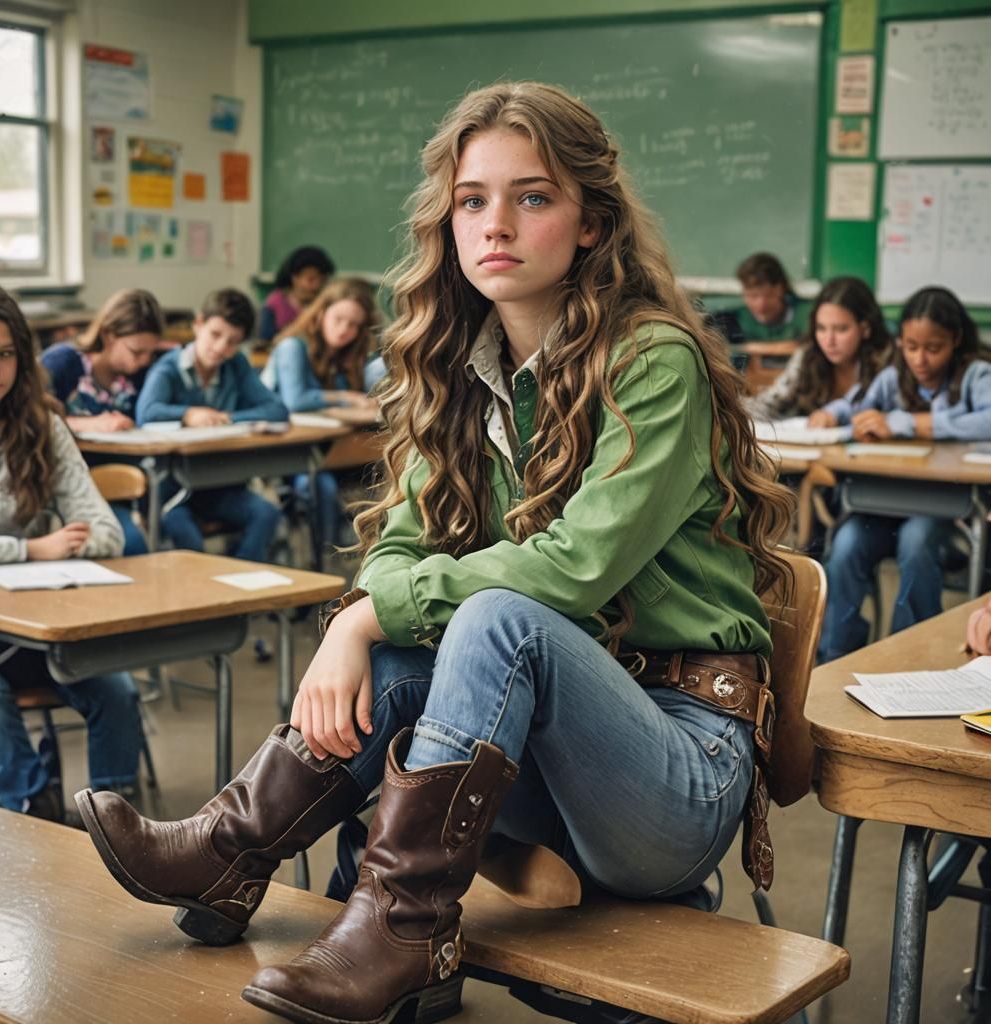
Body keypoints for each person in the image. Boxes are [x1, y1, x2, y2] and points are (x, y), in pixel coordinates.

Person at [76, 82, 795, 1024]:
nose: (496, 223)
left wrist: (367, 614)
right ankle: (232, 853)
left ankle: (402, 927)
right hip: (534, 754)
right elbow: (404, 539)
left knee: (494, 619)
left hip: (674, 768)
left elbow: (574, 570)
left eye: (533, 197)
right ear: (448, 219)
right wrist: (354, 629)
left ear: (591, 224)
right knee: (407, 652)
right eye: (472, 199)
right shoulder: (459, 369)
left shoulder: (651, 361)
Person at [0, 281, 142, 822]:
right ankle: (33, 806)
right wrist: (31, 548)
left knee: (118, 689)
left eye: (5, 353)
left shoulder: (42, 425)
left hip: (32, 623)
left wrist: (42, 551)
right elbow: (47, 546)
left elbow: (107, 533)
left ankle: (115, 823)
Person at [818, 286, 989, 663]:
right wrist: (833, 416)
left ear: (956, 340)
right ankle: (834, 655)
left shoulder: (976, 375)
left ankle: (906, 657)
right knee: (845, 543)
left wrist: (911, 423)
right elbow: (854, 407)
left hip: (946, 515)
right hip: (884, 508)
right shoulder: (893, 378)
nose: (920, 359)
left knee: (915, 540)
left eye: (933, 348)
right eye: (911, 347)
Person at [136, 287, 288, 563]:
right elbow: (146, 413)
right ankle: (208, 596)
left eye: (232, 342)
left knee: (266, 513)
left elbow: (277, 410)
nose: (221, 349)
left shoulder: (236, 365)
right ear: (198, 324)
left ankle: (240, 591)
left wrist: (228, 417)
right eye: (215, 335)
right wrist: (187, 414)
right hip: (175, 493)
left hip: (222, 485)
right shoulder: (168, 368)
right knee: (185, 534)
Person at [261, 277, 380, 555]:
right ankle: (327, 564)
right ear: (322, 312)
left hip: (331, 453)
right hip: (289, 454)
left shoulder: (346, 356)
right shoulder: (293, 346)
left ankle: (363, 562)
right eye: (338, 318)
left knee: (379, 477)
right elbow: (296, 400)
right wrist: (345, 397)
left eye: (353, 325)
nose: (344, 330)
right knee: (321, 488)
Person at [41, 288, 163, 555]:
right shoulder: (63, 363)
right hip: (70, 487)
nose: (143, 361)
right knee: (129, 542)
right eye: (136, 351)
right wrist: (89, 424)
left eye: (149, 354)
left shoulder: (138, 376)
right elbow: (34, 416)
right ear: (108, 335)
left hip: (121, 486)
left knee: (149, 536)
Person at [745, 276, 891, 424]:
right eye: (821, 328)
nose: (829, 341)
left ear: (865, 329)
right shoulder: (808, 355)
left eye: (841, 329)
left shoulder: (887, 361)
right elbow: (770, 402)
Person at [256, 245, 336, 343]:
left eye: (322, 279)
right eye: (311, 279)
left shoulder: (329, 305)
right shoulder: (274, 304)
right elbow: (267, 343)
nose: (316, 285)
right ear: (295, 278)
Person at [733, 252, 810, 343]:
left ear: (781, 289)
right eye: (753, 296)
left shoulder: (809, 316)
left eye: (769, 295)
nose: (761, 304)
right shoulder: (735, 321)